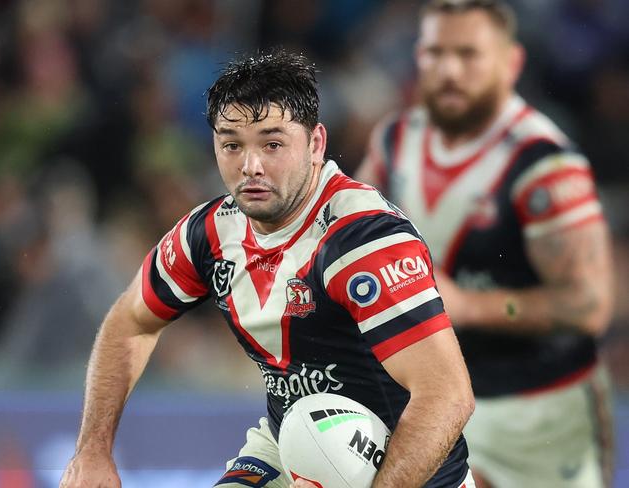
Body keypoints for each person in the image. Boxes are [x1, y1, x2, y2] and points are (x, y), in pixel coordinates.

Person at [59, 50, 476, 488]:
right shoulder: (209, 233)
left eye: (272, 144)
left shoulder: (362, 241)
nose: (250, 166)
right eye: (232, 145)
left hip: (407, 469)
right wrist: (93, 451)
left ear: (316, 144)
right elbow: (130, 322)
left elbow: (448, 397)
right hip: (290, 443)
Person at [356, 1, 615, 487]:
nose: (449, 70)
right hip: (430, 401)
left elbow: (589, 305)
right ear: (418, 56)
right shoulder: (394, 142)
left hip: (538, 412)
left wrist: (470, 306)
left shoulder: (544, 165)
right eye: (436, 52)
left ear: (510, 62)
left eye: (469, 54)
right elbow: (349, 243)